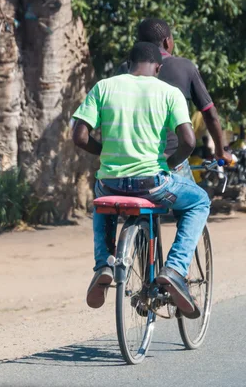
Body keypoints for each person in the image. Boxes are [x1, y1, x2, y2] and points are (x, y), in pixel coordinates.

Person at [72, 42, 211, 319]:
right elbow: (189, 141)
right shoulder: (168, 92)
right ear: (158, 67)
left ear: (128, 63)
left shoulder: (104, 87)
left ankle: (104, 265)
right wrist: (169, 165)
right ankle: (174, 269)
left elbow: (79, 136)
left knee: (102, 201)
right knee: (199, 201)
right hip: (153, 184)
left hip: (111, 182)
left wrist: (106, 153)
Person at [117, 18, 232, 177]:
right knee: (199, 202)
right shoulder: (184, 67)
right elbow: (210, 114)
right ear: (166, 42)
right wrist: (221, 151)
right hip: (169, 161)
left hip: (128, 162)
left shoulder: (124, 68)